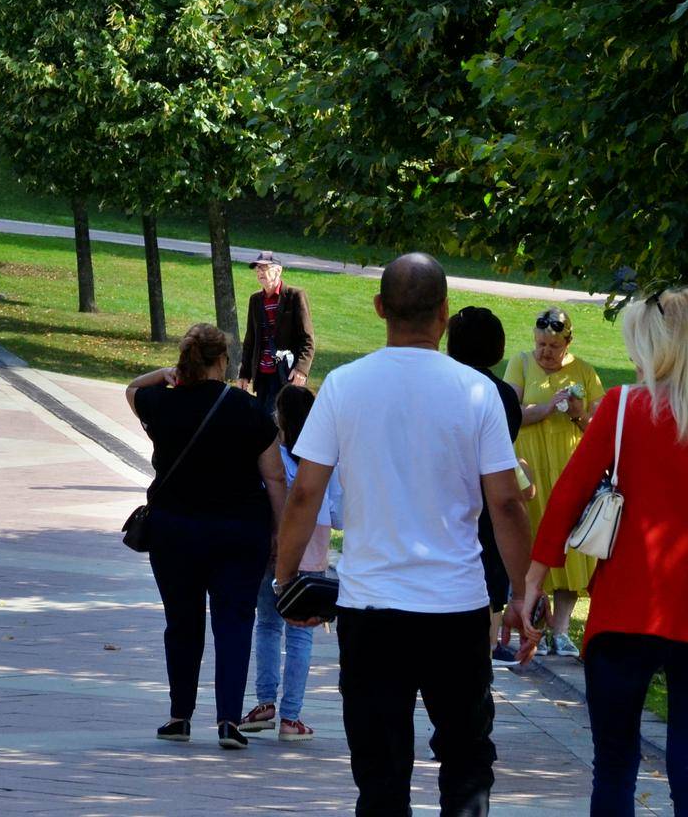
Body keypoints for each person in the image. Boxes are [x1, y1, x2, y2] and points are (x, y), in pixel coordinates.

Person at [276, 252, 536, 817]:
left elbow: (304, 493)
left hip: (372, 609)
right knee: (467, 762)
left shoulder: (344, 386)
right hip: (457, 607)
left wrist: (285, 576)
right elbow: (507, 504)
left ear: (378, 309)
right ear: (443, 313)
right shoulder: (477, 392)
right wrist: (521, 593)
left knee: (380, 773)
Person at [520, 287, 688, 817]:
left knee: (614, 767)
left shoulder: (621, 409)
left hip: (624, 615)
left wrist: (533, 580)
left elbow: (566, 499)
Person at [126, 324, 287, 749]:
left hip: (175, 530)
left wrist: (162, 374)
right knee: (234, 621)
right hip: (239, 531)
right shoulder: (249, 410)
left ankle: (180, 716)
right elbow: (274, 478)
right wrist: (280, 532)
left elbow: (130, 391)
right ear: (223, 362)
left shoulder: (162, 403)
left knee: (182, 622)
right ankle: (229, 722)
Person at [504, 306, 606, 656]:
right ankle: (533, 621)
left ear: (567, 342)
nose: (545, 352)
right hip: (531, 468)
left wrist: (578, 414)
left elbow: (600, 428)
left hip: (568, 468)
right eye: (540, 345)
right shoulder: (520, 362)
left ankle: (560, 631)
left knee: (571, 547)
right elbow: (510, 411)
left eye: (553, 346)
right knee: (532, 540)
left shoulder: (585, 372)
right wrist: (546, 408)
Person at [241, 379, 335, 743]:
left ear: (280, 416)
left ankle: (264, 702)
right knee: (301, 632)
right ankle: (291, 716)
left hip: (274, 541)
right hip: (314, 541)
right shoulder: (324, 453)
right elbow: (338, 504)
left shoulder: (271, 451)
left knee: (266, 623)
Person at [446, 306, 533, 665]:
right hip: (484, 506)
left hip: (441, 504)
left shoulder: (440, 386)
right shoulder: (502, 396)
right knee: (487, 592)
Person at [237, 251, 315, 419]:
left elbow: (307, 339)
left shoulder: (295, 296)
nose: (259, 272)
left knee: (276, 420)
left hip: (284, 373)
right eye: (257, 269)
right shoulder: (255, 300)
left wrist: (301, 369)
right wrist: (244, 373)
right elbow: (250, 340)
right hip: (262, 374)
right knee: (260, 418)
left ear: (278, 270)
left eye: (264, 268)